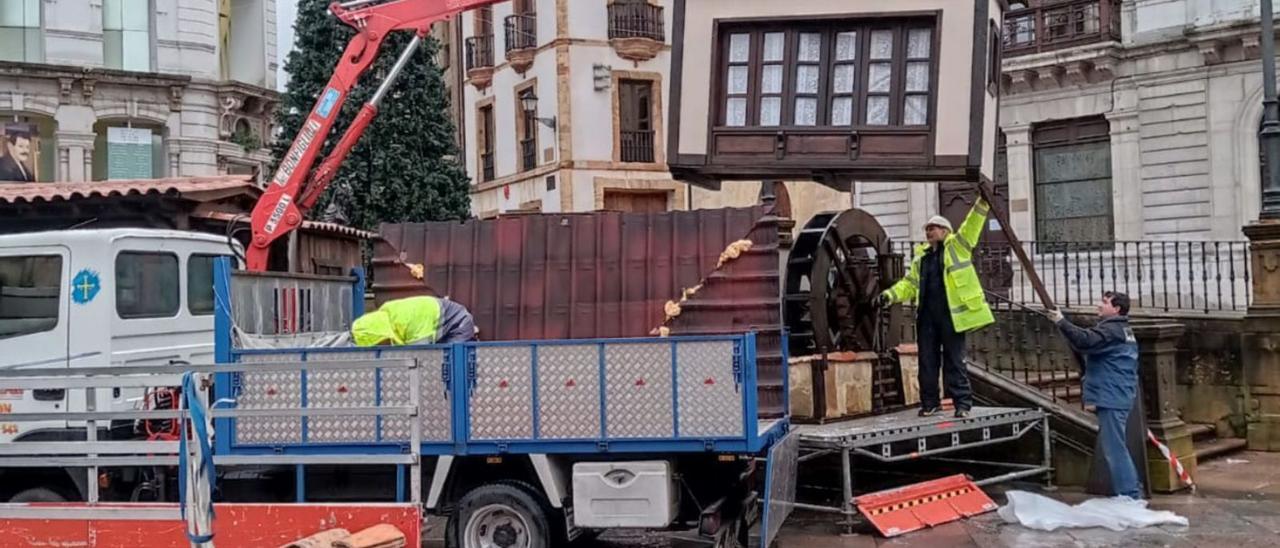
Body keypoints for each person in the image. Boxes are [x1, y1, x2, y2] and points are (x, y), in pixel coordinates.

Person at [879, 197, 995, 418]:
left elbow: (972, 224)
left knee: (955, 361)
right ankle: (930, 403)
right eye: (927, 229)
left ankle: (962, 404)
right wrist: (888, 296)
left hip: (952, 317)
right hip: (927, 318)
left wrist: (982, 202)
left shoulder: (958, 247)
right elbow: (909, 285)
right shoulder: (920, 258)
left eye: (932, 228)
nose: (928, 232)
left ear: (945, 230)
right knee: (927, 363)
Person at [1048, 292, 1143, 499]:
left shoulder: (1112, 330)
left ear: (1117, 309)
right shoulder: (1121, 330)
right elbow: (1086, 344)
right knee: (1116, 447)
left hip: (1112, 395)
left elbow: (1085, 340)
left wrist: (1062, 322)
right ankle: (1130, 491)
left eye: (1104, 302)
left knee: (1114, 449)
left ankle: (1130, 494)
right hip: (1116, 393)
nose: (1098, 305)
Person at [352, 296, 477, 347]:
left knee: (453, 367)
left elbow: (420, 355)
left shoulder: (410, 323)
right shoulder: (390, 316)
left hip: (458, 323)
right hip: (440, 323)